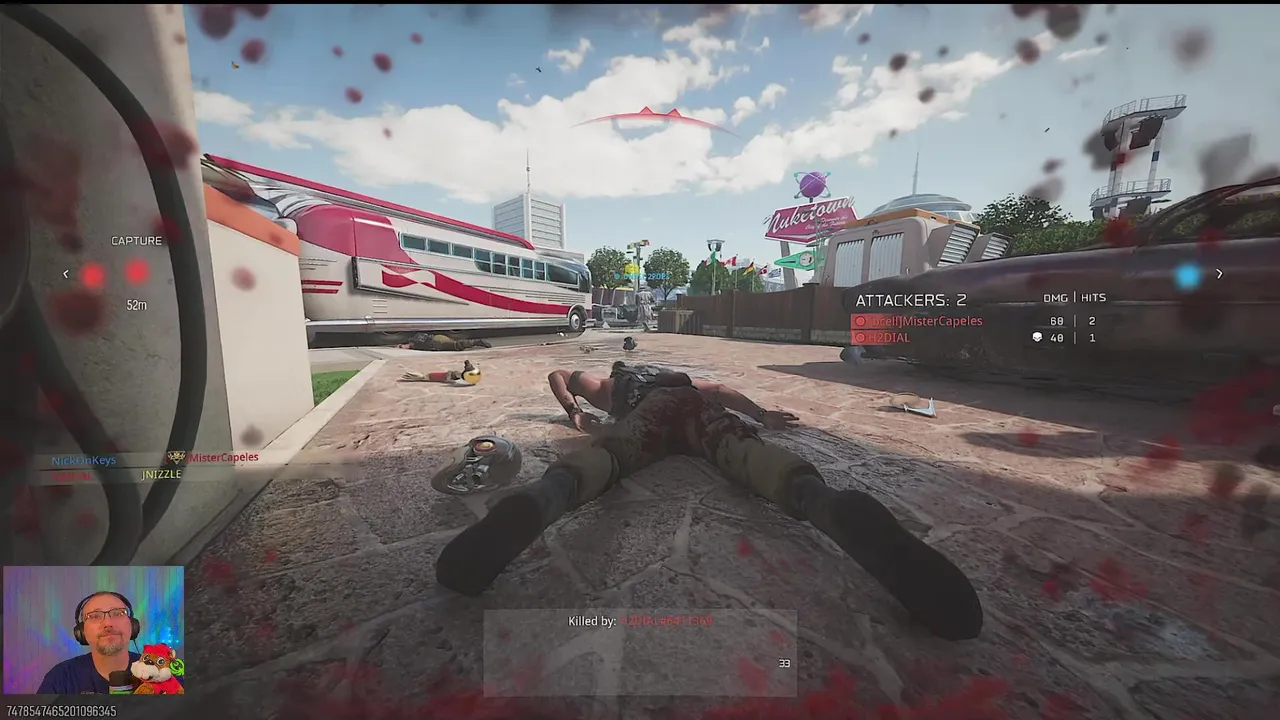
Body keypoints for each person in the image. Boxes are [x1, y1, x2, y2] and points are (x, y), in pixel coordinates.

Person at [435, 362, 984, 641]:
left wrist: (575, 412)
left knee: (609, 458)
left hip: (650, 416)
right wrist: (761, 415)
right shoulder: (682, 382)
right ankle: (820, 500)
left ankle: (545, 496)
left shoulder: (615, 385)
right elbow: (719, 393)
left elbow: (559, 374)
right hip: (693, 409)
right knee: (745, 454)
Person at [36, 591, 183, 694]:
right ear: (81, 632)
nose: (108, 623)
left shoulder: (165, 674)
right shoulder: (60, 678)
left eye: (118, 613)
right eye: (94, 616)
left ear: (132, 626)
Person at [396, 333, 491, 351]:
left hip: (437, 341)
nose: (403, 348)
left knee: (456, 345)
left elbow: (426, 339)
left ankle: (477, 342)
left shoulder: (415, 340)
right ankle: (475, 342)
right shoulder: (414, 346)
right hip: (437, 343)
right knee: (456, 346)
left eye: (401, 347)